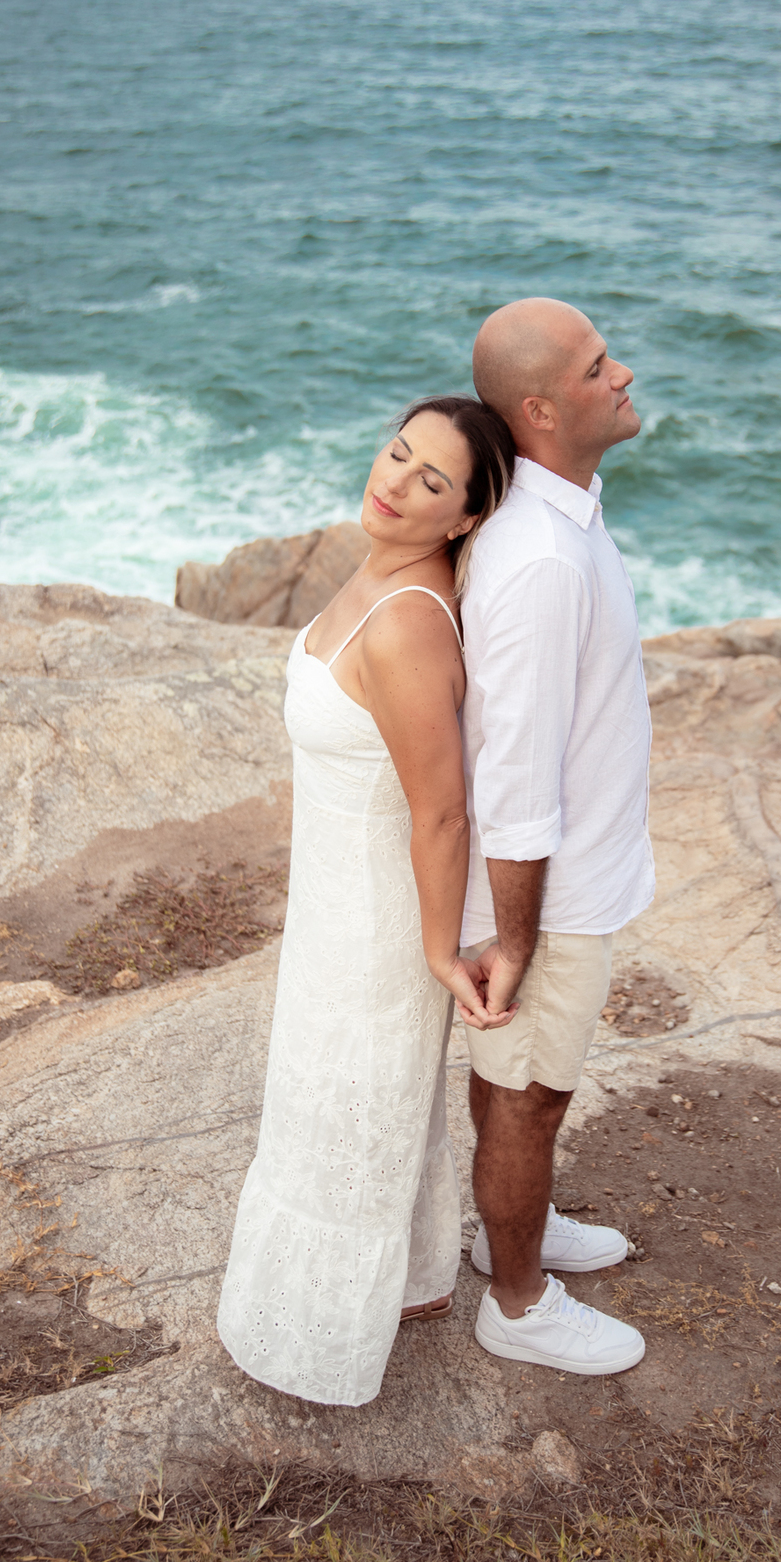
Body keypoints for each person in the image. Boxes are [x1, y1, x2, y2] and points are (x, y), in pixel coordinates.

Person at [217, 395, 517, 1408]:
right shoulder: (379, 568)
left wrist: (437, 952)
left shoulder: (408, 624)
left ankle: (319, 1340)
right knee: (345, 1105)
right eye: (397, 453)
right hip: (333, 901)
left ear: (464, 517)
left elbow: (443, 812)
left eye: (432, 480)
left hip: (378, 926)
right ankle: (416, 1279)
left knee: (344, 1111)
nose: (394, 482)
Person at [462, 298, 655, 1375]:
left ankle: (511, 1233)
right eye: (595, 367)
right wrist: (518, 938)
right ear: (538, 410)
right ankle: (520, 1302)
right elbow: (517, 779)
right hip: (550, 893)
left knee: (516, 1086)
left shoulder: (565, 515)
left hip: (574, 877)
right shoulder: (539, 557)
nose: (621, 373)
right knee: (530, 1098)